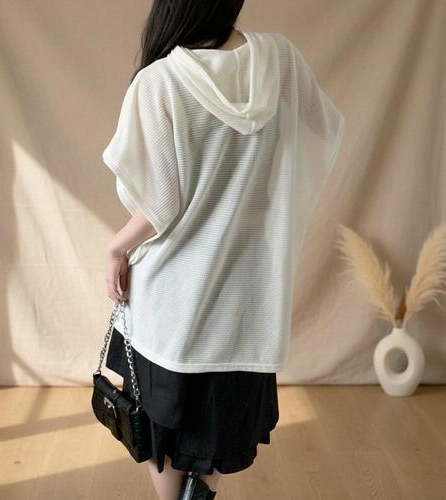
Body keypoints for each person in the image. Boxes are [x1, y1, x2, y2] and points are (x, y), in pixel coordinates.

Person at [101, 1, 345, 499]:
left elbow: (161, 204)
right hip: (248, 302)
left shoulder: (160, 80)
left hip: (172, 301)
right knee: (215, 434)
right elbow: (323, 129)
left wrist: (115, 248)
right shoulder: (280, 59)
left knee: (162, 436)